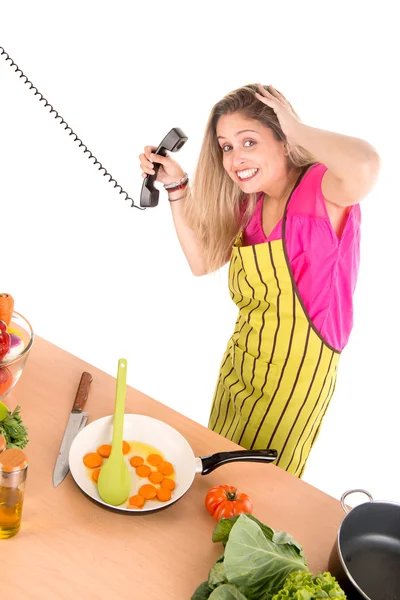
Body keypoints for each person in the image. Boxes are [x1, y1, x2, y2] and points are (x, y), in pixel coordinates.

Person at [139, 83, 380, 478]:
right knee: (214, 472)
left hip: (294, 379)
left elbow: (366, 164)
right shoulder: (250, 202)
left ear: (283, 140)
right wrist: (177, 186)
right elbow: (200, 262)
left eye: (248, 141)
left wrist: (295, 126)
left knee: (260, 489)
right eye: (227, 146)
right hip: (241, 364)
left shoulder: (321, 189)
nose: (235, 159)